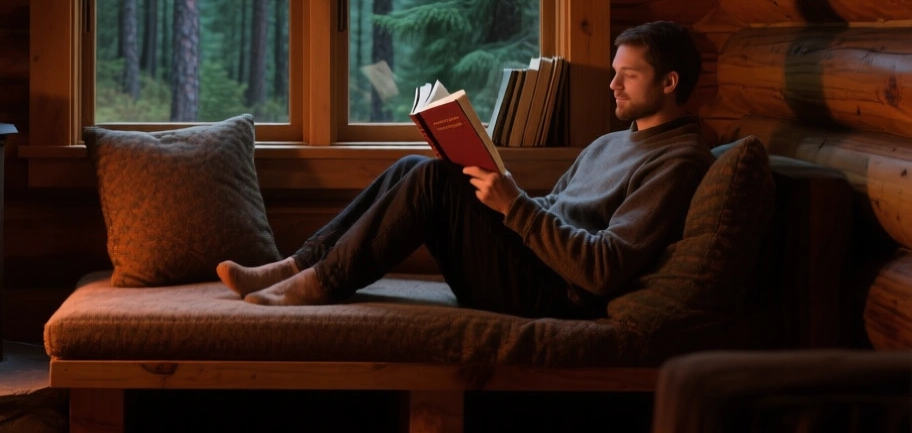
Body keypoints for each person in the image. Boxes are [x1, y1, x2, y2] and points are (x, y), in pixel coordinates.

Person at [217, 20, 714, 317]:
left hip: (555, 294)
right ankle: (296, 266)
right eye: (614, 73)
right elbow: (554, 208)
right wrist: (501, 192)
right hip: (528, 261)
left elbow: (603, 269)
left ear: (669, 82)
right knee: (414, 165)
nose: (613, 85)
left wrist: (514, 208)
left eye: (629, 76)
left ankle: (322, 283)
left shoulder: (678, 161)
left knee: (434, 180)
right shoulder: (609, 143)